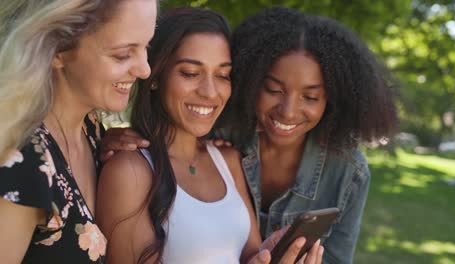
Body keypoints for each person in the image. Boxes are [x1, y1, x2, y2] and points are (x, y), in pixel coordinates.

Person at [96, 7, 323, 264]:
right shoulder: (130, 172)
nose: (210, 92)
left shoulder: (227, 159)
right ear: (155, 76)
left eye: (223, 75)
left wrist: (268, 255)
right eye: (191, 73)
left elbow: (249, 254)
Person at [216, 7, 399, 264]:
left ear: (331, 99)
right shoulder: (216, 141)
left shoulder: (348, 172)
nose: (288, 112)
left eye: (310, 97)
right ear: (251, 82)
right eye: (273, 89)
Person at [0, 0, 157, 263]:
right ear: (58, 50)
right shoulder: (20, 160)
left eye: (146, 47)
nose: (145, 70)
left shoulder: (93, 131)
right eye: (123, 54)